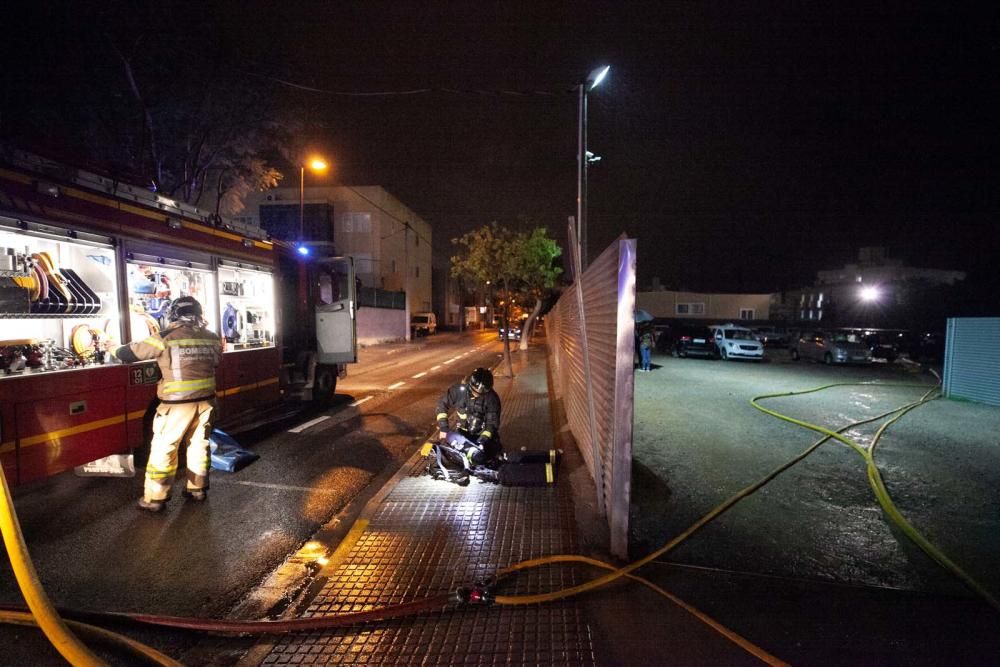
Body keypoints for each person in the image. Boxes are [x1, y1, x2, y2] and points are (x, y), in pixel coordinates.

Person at [109, 296, 223, 512]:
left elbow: (129, 354)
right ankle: (197, 489)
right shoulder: (211, 337)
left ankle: (155, 499)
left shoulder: (165, 337)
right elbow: (216, 362)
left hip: (177, 405)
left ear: (173, 315)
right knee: (199, 446)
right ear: (198, 313)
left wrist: (112, 347)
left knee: (165, 449)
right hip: (206, 402)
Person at [432, 367, 502, 482]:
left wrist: (482, 440)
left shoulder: (492, 399)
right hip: (464, 433)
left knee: (484, 457)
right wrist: (444, 428)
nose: (478, 394)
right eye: (475, 391)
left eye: (482, 393)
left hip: (483, 436)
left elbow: (492, 425)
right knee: (459, 452)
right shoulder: (459, 391)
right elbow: (442, 404)